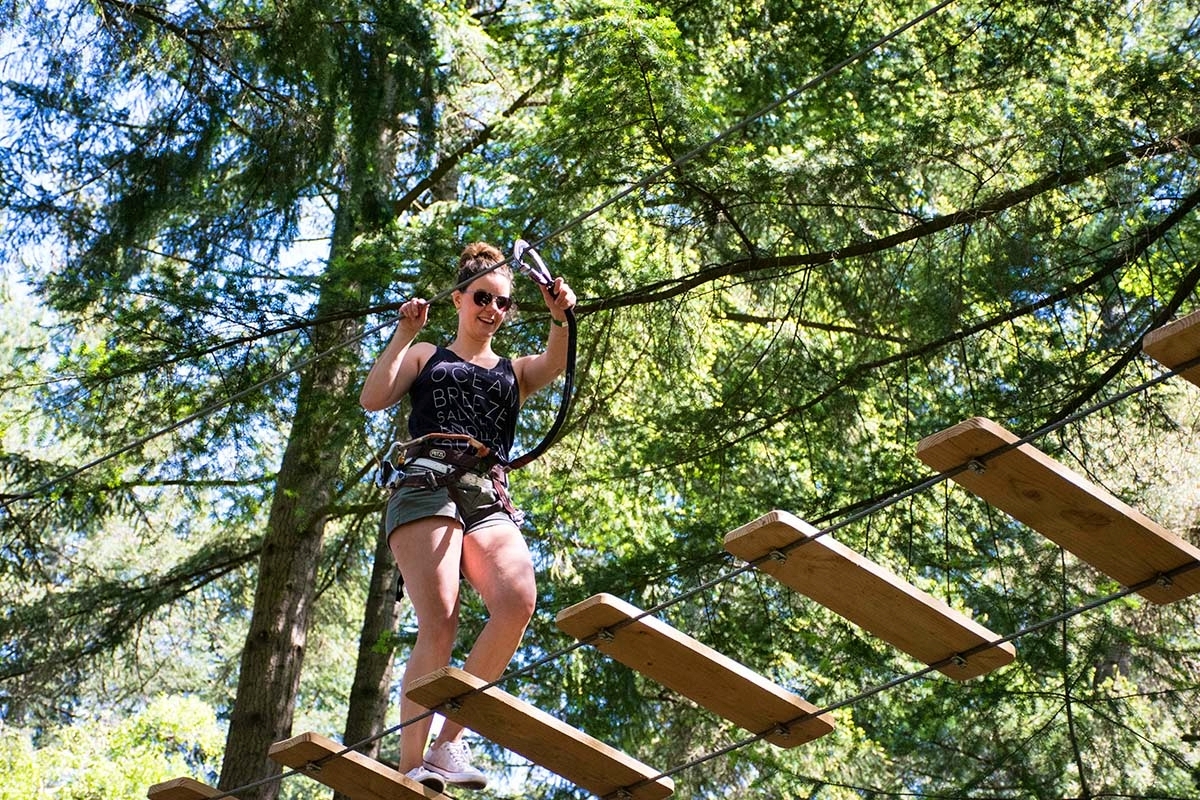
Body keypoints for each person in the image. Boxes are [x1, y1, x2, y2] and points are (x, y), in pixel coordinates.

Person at [359, 241, 576, 792]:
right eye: (483, 297)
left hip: (487, 493)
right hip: (426, 484)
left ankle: (447, 742)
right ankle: (410, 765)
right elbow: (374, 398)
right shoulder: (425, 355)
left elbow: (555, 363)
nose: (492, 309)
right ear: (459, 299)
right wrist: (403, 334)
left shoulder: (514, 371)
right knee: (441, 620)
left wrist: (560, 317)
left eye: (503, 303)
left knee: (517, 601)